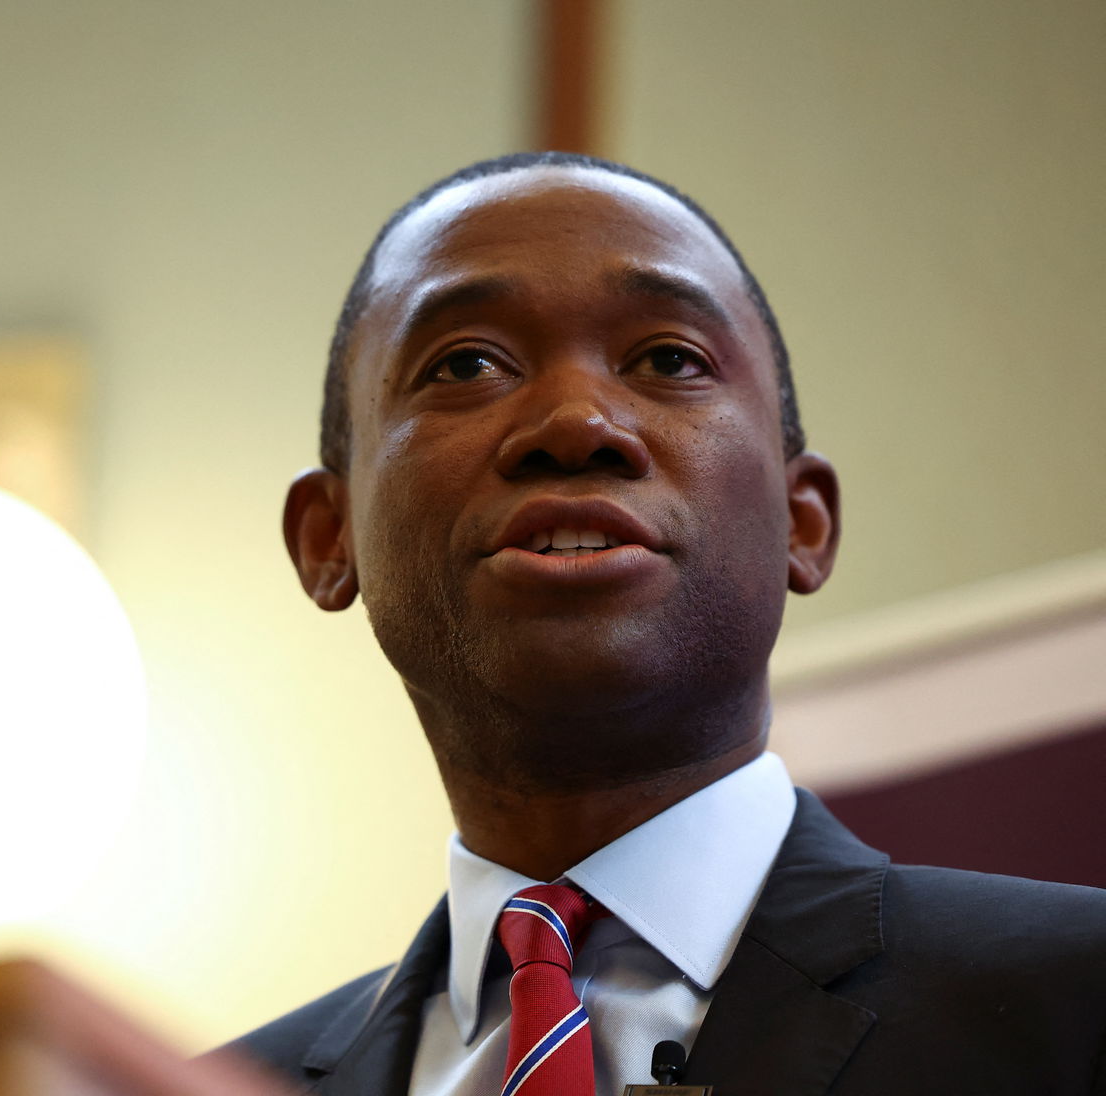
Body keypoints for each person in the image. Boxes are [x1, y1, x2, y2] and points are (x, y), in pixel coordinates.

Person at [227, 152, 1106, 1095]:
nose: (575, 422)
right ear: (329, 538)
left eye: (668, 360)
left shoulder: (1077, 1003)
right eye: (468, 363)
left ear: (803, 524)